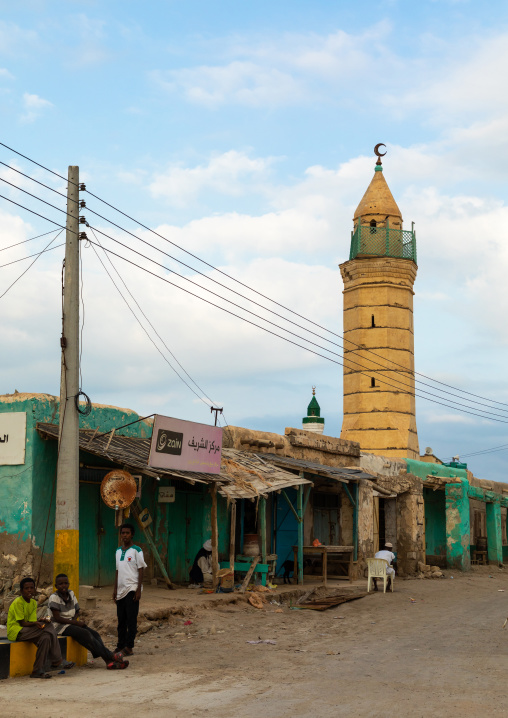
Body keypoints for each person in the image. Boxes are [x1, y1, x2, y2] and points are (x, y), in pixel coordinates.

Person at [49, 573, 128, 670]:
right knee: (84, 633)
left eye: (65, 583)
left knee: (95, 634)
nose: (63, 585)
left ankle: (108, 661)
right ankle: (111, 656)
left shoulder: (71, 594)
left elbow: (77, 611)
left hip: (70, 623)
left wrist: (74, 621)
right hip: (59, 626)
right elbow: (57, 618)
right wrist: (75, 623)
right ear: (56, 586)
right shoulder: (54, 597)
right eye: (60, 584)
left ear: (68, 584)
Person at [7, 576, 75, 679]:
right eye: (26, 588)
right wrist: (36, 624)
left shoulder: (33, 603)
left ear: (35, 589)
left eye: (32, 588)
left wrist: (40, 621)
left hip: (28, 630)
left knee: (46, 637)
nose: (29, 590)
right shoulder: (18, 602)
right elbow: (22, 623)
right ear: (21, 591)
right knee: (49, 626)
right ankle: (57, 660)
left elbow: (32, 621)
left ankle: (37, 670)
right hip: (16, 631)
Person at [113, 522, 147, 657]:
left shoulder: (137, 550)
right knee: (121, 619)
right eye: (123, 533)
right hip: (120, 590)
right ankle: (120, 645)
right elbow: (117, 571)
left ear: (132, 534)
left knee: (131, 619)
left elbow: (141, 570)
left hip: (132, 588)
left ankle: (129, 647)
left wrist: (138, 589)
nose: (125, 535)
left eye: (127, 533)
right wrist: (115, 589)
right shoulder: (117, 551)